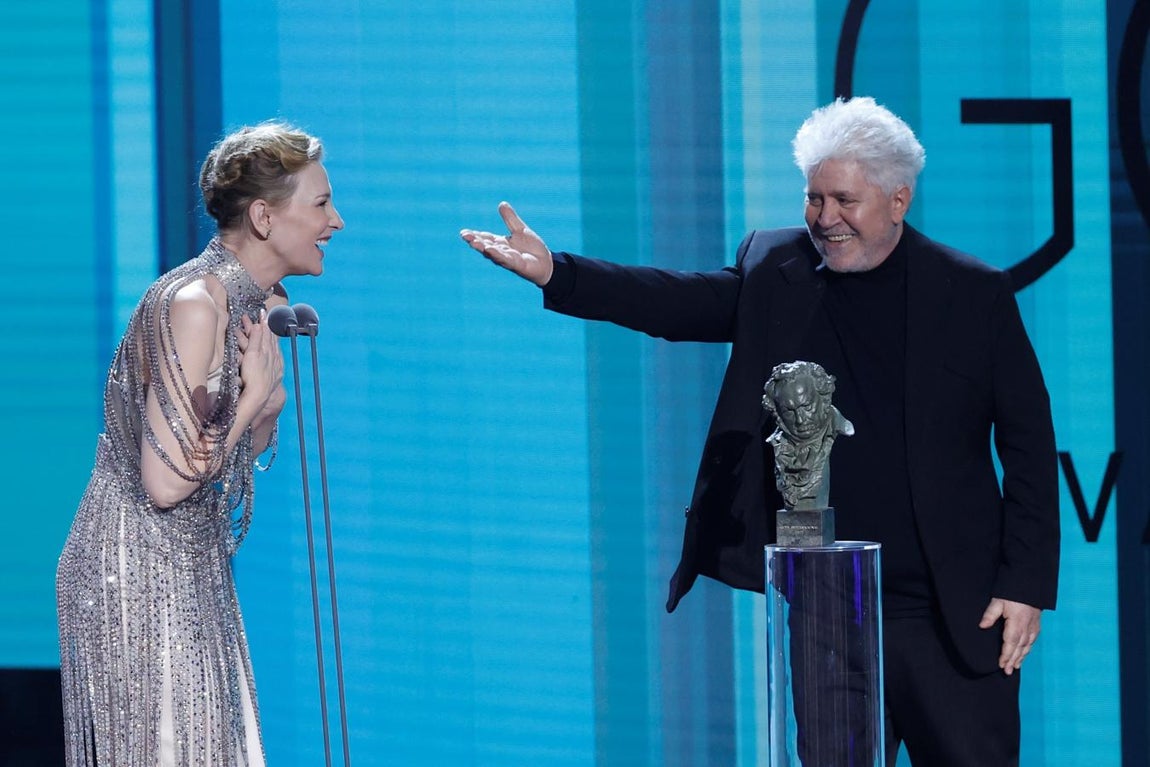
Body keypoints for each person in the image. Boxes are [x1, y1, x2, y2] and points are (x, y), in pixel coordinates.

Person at [460, 96, 1059, 766]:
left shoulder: (972, 292)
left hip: (949, 613)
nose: (825, 218)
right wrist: (558, 273)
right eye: (814, 199)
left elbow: (1030, 447)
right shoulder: (776, 266)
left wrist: (1025, 583)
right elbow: (674, 301)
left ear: (899, 199)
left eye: (845, 201)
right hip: (829, 609)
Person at [56, 121, 344, 767]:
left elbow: (221, 455)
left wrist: (265, 407)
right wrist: (252, 401)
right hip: (135, 568)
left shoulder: (254, 303)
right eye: (322, 203)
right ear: (265, 217)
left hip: (190, 558)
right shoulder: (195, 303)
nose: (337, 221)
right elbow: (165, 483)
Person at [762, 360, 854, 510]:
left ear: (824, 397)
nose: (800, 419)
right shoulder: (778, 443)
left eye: (807, 406)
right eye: (788, 411)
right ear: (777, 412)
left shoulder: (837, 426)